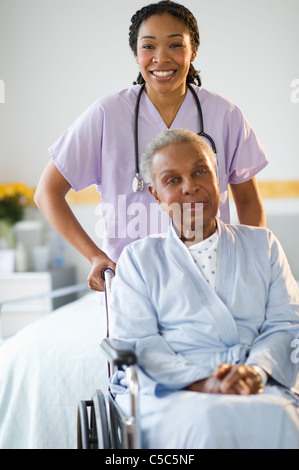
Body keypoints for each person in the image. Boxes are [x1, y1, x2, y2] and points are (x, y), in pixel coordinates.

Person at [34, 0, 268, 292]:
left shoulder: (225, 115)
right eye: (148, 46)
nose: (161, 58)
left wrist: (253, 262)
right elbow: (47, 193)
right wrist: (95, 256)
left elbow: (247, 201)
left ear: (193, 50)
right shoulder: (107, 114)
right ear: (136, 54)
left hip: (211, 277)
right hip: (132, 281)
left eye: (175, 45)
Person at [109, 128, 299, 449]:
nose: (190, 187)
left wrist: (256, 371)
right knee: (208, 422)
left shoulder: (262, 244)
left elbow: (285, 324)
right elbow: (140, 342)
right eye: (172, 180)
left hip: (253, 383)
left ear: (218, 181)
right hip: (174, 390)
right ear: (155, 194)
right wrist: (202, 381)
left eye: (200, 172)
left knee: (280, 416)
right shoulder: (138, 259)